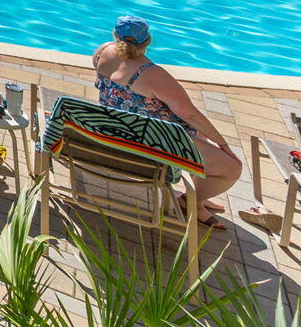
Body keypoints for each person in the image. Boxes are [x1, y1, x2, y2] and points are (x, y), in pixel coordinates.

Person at [92, 15, 243, 223]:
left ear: (115, 35)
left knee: (199, 133)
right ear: (147, 41)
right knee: (232, 168)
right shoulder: (154, 75)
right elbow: (190, 114)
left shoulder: (102, 52)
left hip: (118, 131)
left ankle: (197, 198)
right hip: (154, 143)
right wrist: (224, 145)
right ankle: (190, 201)